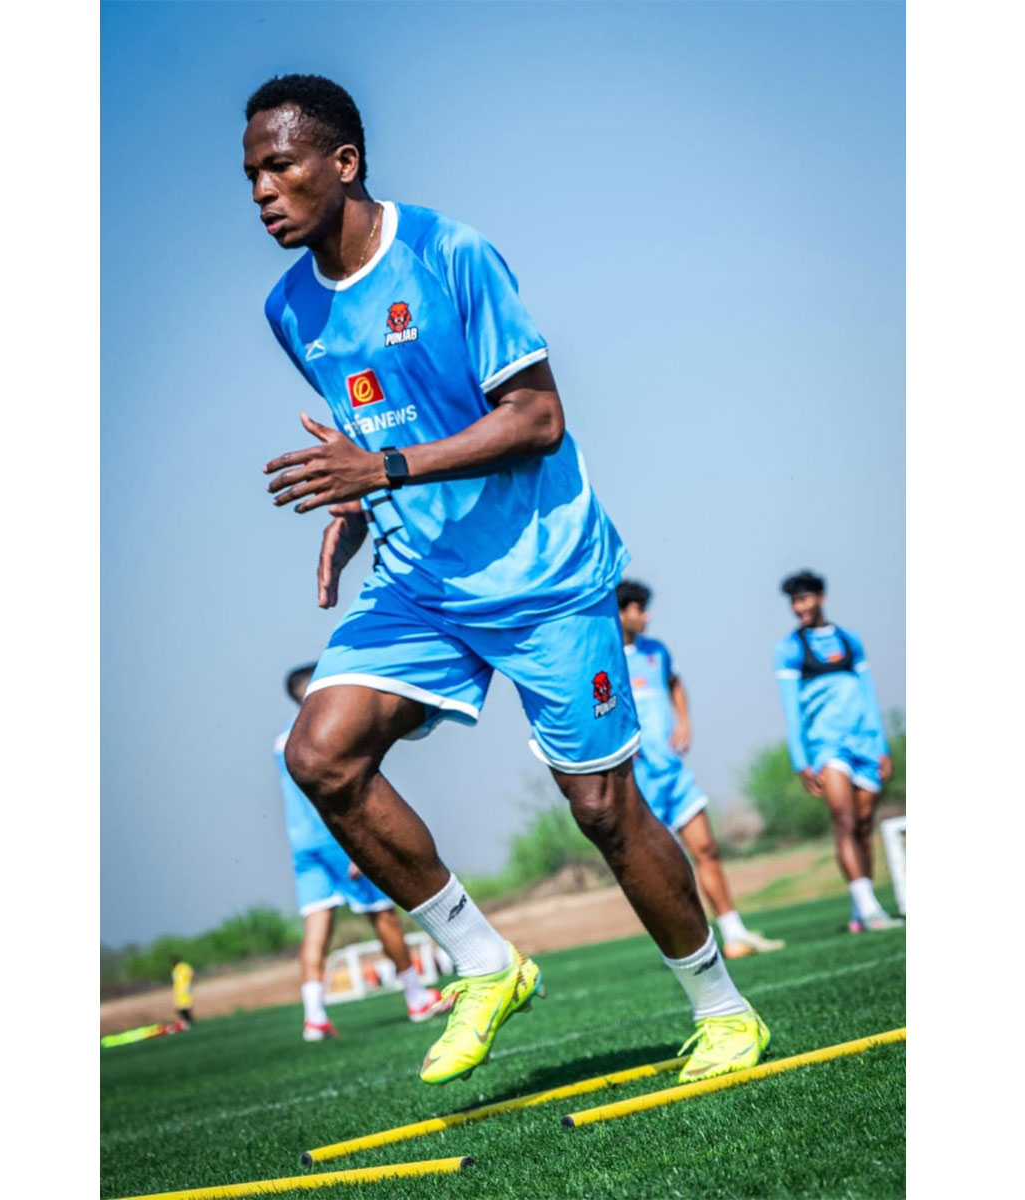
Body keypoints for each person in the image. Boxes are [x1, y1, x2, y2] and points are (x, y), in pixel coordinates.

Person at [245, 74, 766, 1086]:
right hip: (421, 581)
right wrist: (358, 500)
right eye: (251, 175)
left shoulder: (449, 254)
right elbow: (380, 421)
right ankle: (486, 965)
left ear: (342, 163)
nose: (263, 191)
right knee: (321, 755)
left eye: (281, 165)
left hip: (544, 571)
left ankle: (725, 1011)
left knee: (604, 808)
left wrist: (382, 471)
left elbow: (536, 420)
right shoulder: (288, 307)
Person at [277, 664, 449, 1041]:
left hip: (303, 846)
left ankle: (314, 1017)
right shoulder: (321, 737)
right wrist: (354, 842)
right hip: (334, 836)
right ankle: (417, 997)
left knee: (316, 930)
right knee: (384, 914)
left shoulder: (281, 742)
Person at [616, 581, 784, 959]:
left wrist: (684, 722)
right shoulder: (605, 658)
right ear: (622, 612)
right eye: (640, 609)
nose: (647, 616)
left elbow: (676, 685)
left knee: (707, 848)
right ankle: (686, 948)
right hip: (638, 783)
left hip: (673, 772)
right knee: (661, 870)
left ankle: (735, 934)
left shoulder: (657, 651)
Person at [773, 570, 900, 932]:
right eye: (794, 602)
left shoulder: (850, 641)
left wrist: (881, 745)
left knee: (862, 826)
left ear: (820, 597)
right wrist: (801, 761)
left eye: (805, 599)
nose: (800, 608)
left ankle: (860, 909)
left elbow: (868, 693)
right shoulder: (790, 649)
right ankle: (871, 910)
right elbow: (791, 709)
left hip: (864, 746)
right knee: (843, 820)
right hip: (827, 749)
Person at [171, 956, 194, 1025]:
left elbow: (191, 974)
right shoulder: (175, 970)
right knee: (179, 1007)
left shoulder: (184, 967)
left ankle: (189, 1021)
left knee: (186, 1005)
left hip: (185, 989)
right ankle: (187, 1020)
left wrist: (190, 985)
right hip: (179, 991)